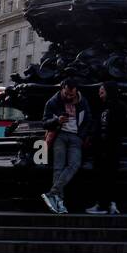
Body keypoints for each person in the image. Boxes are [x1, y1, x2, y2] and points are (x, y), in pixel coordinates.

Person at [41, 81, 90, 214]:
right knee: (58, 167)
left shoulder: (82, 102)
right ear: (62, 89)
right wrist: (57, 121)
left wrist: (81, 136)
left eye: (71, 95)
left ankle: (53, 193)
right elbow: (44, 123)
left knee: (74, 164)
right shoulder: (53, 102)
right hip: (60, 135)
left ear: (76, 91)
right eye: (66, 94)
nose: (68, 97)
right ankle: (59, 201)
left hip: (76, 137)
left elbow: (88, 121)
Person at [85, 84, 122, 217]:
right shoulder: (103, 107)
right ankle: (109, 204)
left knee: (105, 177)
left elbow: (124, 127)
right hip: (103, 147)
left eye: (102, 92)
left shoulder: (117, 107)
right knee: (106, 176)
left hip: (110, 146)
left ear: (109, 92)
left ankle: (103, 205)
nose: (99, 95)